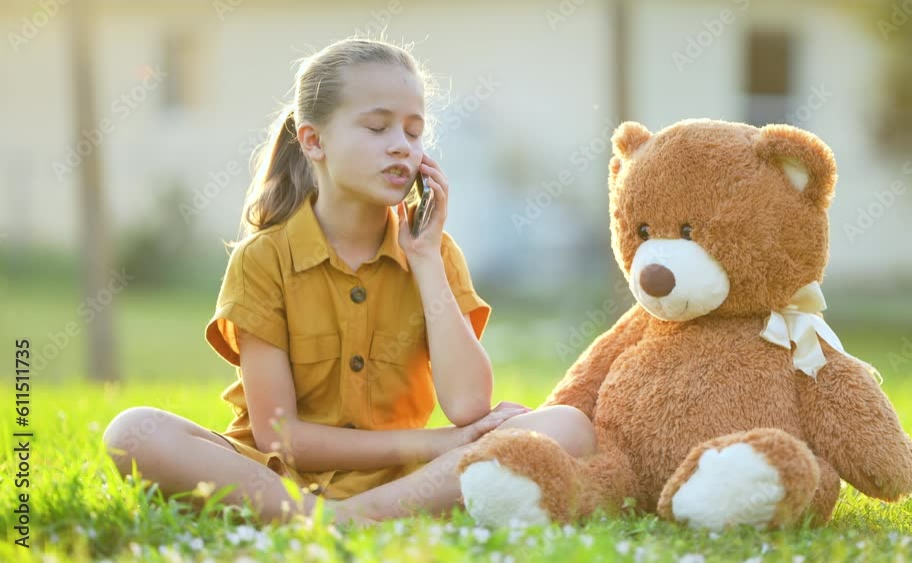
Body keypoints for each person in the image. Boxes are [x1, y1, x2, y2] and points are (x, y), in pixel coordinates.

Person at [102, 37, 597, 526]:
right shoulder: (264, 259)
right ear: (314, 141)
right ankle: (330, 515)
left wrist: (424, 261)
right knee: (134, 432)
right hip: (279, 478)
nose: (402, 146)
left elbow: (469, 406)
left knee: (566, 427)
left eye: (414, 131)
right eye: (378, 127)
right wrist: (436, 442)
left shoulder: (437, 253)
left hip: (401, 478)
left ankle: (349, 517)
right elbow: (280, 438)